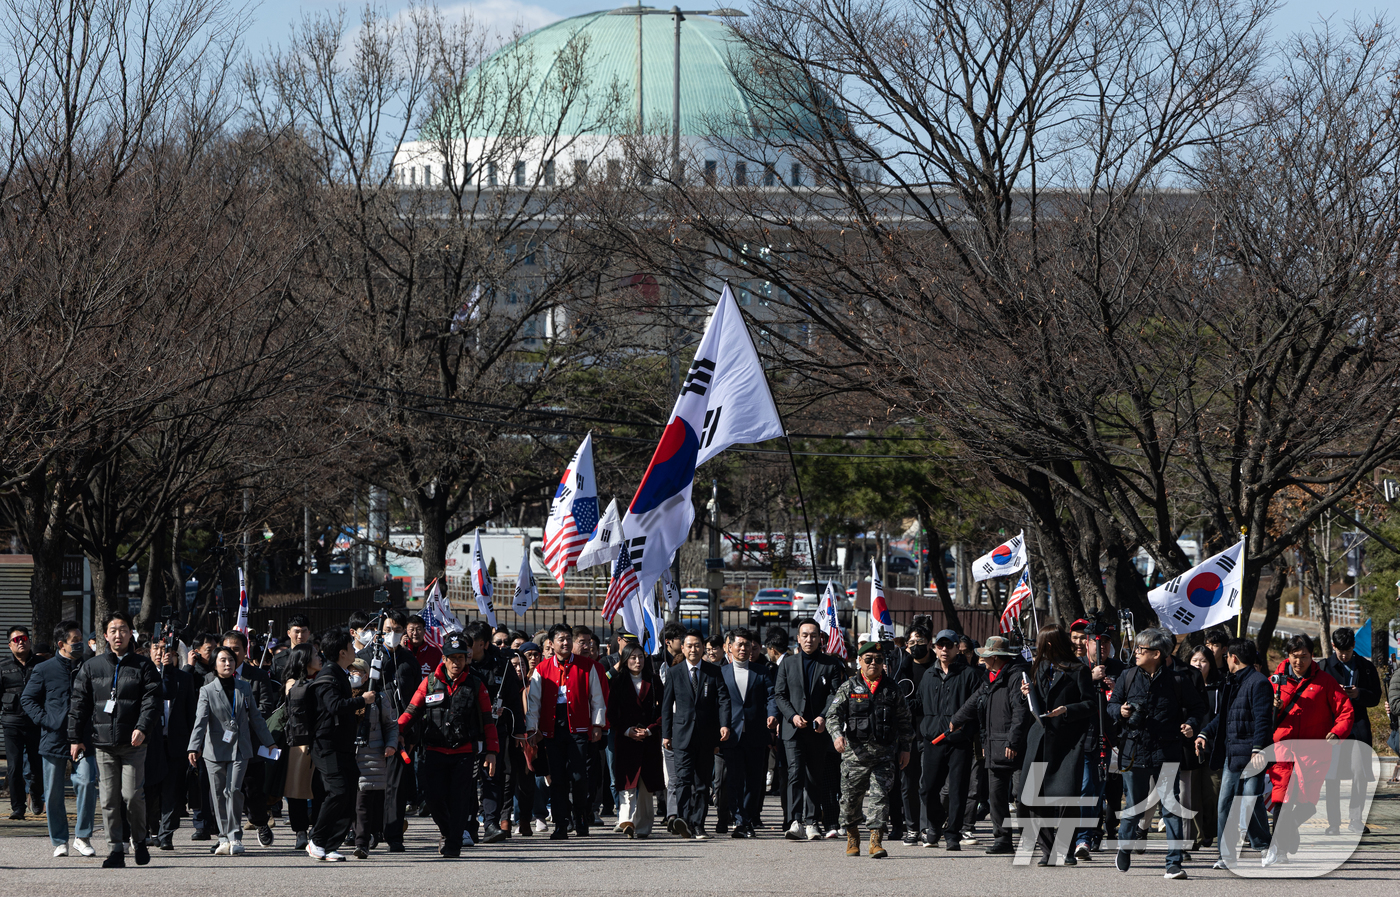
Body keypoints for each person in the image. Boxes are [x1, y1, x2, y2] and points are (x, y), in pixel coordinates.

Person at [1107, 627, 1206, 880]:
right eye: (1137, 648)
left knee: (1170, 807)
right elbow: (1111, 706)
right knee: (1134, 807)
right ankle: (1125, 846)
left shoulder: (1178, 681)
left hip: (1166, 751)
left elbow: (1198, 708)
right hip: (1134, 752)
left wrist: (1191, 725)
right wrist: (1121, 711)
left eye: (1143, 649)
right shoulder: (1127, 676)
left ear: (1158, 654)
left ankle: (1173, 863)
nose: (1137, 652)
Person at [67, 611, 161, 868]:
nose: (118, 635)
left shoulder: (144, 666)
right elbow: (78, 705)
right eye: (113, 630)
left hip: (134, 744)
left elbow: (152, 701)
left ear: (131, 634)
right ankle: (115, 850)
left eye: (123, 630)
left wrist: (142, 728)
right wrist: (75, 737)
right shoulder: (91, 667)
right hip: (104, 744)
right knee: (108, 800)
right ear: (105, 636)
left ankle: (140, 841)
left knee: (132, 796)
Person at [398, 630, 497, 857]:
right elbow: (411, 711)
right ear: (444, 659)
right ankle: (448, 831)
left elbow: (488, 721)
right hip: (434, 751)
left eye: (461, 658)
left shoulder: (476, 684)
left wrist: (492, 751)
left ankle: (453, 844)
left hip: (464, 753)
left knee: (460, 799)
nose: (456, 663)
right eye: (452, 658)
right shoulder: (429, 682)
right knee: (433, 799)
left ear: (466, 658)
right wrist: (397, 731)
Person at [1263, 634, 1353, 867]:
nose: (1299, 662)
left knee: (1307, 804)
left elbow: (1345, 710)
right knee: (1281, 798)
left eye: (1304, 657)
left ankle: (1290, 827)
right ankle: (1279, 850)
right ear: (1288, 656)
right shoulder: (1275, 680)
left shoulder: (1325, 681)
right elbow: (1259, 711)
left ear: (1312, 656)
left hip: (1314, 752)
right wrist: (1273, 709)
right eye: (1294, 657)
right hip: (1283, 749)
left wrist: (1337, 732)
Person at [187, 646, 277, 856]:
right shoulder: (207, 690)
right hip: (214, 750)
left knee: (234, 791)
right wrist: (194, 746)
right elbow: (200, 721)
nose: (228, 664)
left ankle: (235, 836)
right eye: (223, 660)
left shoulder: (243, 687)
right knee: (218, 794)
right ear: (215, 664)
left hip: (240, 747)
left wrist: (269, 741)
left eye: (231, 660)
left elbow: (255, 717)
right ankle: (223, 837)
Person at [827, 641, 914, 858]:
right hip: (854, 755)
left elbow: (905, 722)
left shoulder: (892, 689)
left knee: (879, 798)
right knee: (850, 800)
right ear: (860, 662)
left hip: (884, 755)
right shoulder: (849, 686)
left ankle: (876, 841)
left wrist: (905, 748)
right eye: (868, 660)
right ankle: (853, 837)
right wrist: (837, 735)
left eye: (878, 660)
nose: (874, 663)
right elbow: (833, 715)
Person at [20, 620, 99, 857]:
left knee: (86, 782)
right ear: (61, 644)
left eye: (80, 641)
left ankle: (82, 837)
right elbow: (28, 700)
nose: (79, 645)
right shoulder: (44, 669)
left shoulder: (88, 667)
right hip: (53, 739)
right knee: (53, 792)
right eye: (74, 642)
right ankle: (59, 840)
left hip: (84, 738)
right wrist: (48, 720)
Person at [1018, 622, 1093, 869]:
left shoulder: (1077, 670)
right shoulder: (1038, 667)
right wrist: (1028, 692)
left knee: (1065, 797)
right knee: (1031, 797)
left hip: (1066, 742)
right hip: (1039, 739)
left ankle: (1066, 849)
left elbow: (1090, 705)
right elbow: (1036, 703)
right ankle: (1047, 850)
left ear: (1050, 643)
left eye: (1041, 643)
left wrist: (1067, 710)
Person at [1196, 638, 1273, 869]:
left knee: (1250, 801)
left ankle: (1265, 847)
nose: (1226, 660)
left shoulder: (1259, 683)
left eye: (1228, 656)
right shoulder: (1231, 682)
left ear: (1234, 658)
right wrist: (1205, 734)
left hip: (1252, 755)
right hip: (1232, 755)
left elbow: (1263, 720)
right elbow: (1223, 717)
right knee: (1226, 804)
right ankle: (1226, 855)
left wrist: (1259, 749)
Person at [524, 622, 606, 839]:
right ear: (551, 643)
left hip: (578, 728)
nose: (566, 642)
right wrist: (532, 729)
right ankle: (561, 823)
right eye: (561, 639)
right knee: (558, 779)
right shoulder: (542, 668)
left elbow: (596, 698)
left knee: (579, 777)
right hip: (552, 728)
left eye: (568, 638)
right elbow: (534, 702)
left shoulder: (586, 666)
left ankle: (581, 818)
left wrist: (597, 724)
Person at [951, 635, 1031, 855]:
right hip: (993, 745)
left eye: (986, 656)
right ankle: (1003, 840)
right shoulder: (989, 677)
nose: (982, 659)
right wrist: (956, 720)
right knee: (996, 797)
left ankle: (1029, 840)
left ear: (995, 657)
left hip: (1014, 747)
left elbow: (1021, 712)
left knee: (1022, 795)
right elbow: (974, 701)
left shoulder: (1016, 677)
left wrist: (1013, 741)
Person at [306, 628, 377, 861]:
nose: (353, 652)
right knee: (337, 792)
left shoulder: (340, 673)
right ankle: (316, 839)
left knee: (348, 793)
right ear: (342, 651)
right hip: (327, 746)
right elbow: (335, 705)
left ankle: (329, 844)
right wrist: (362, 700)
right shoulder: (328, 676)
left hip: (342, 745)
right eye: (350, 647)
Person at [775, 618, 845, 841]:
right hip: (793, 730)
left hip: (817, 730)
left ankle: (812, 821)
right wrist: (792, 715)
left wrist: (823, 716)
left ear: (820, 639)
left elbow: (835, 695)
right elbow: (780, 694)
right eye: (804, 635)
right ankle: (795, 820)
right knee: (795, 773)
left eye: (813, 635)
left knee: (815, 776)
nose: (809, 639)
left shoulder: (830, 665)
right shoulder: (787, 663)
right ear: (797, 638)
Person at [357, 608, 420, 851]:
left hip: (401, 732)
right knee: (370, 786)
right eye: (387, 630)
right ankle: (370, 832)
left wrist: (411, 734)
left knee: (396, 786)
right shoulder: (366, 656)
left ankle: (393, 835)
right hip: (371, 731)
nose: (391, 634)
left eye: (396, 630)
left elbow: (417, 699)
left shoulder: (408, 660)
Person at [662, 629, 731, 840]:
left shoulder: (713, 671)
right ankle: (683, 821)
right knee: (683, 781)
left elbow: (723, 700)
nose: (693, 649)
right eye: (689, 646)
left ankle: (698, 824)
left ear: (703, 648)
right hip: (682, 736)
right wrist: (666, 734)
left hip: (706, 735)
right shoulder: (674, 672)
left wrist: (724, 725)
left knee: (702, 784)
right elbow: (666, 706)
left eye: (697, 645)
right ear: (682, 648)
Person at [214, 629, 279, 847]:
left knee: (253, 791)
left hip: (250, 744)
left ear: (244, 651)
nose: (231, 655)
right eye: (227, 649)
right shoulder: (212, 678)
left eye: (236, 649)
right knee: (226, 791)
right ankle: (228, 835)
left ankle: (260, 822)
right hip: (222, 746)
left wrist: (240, 717)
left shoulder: (258, 676)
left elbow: (265, 708)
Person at [916, 628, 979, 850]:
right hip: (932, 740)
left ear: (957, 648)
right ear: (934, 648)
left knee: (957, 791)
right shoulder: (928, 675)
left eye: (949, 645)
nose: (944, 649)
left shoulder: (969, 674)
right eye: (940, 645)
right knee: (927, 788)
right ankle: (935, 826)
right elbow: (919, 704)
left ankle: (953, 834)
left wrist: (965, 730)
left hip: (959, 741)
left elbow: (977, 707)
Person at [463, 620, 525, 843]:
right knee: (468, 780)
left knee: (493, 777)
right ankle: (468, 826)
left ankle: (491, 824)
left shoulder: (503, 665)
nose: (468, 649)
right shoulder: (461, 663)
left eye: (473, 644)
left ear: (484, 644)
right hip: (467, 732)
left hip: (494, 730)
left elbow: (514, 700)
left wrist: (519, 731)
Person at [1317, 626, 1381, 835]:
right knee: (1332, 775)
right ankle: (1333, 824)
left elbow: (1375, 697)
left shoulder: (1366, 667)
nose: (1344, 655)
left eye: (1348, 650)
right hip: (1332, 729)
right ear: (1333, 646)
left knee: (1359, 773)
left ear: (1354, 646)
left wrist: (1358, 694)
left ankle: (1355, 820)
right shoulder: (1324, 667)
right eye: (1340, 650)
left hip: (1358, 726)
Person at [720, 627, 775, 839]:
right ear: (730, 647)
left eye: (747, 645)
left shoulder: (761, 671)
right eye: (739, 644)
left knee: (754, 781)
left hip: (755, 733)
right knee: (734, 779)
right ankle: (739, 820)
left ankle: (749, 817)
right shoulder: (722, 672)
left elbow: (771, 696)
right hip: (731, 734)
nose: (743, 648)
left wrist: (772, 715)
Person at [143, 635, 197, 850]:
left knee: (173, 791)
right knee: (150, 790)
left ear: (175, 655)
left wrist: (194, 744)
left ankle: (166, 834)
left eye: (166, 650)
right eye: (156, 648)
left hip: (176, 742)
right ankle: (150, 828)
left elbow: (191, 713)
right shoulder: (144, 675)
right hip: (150, 743)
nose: (160, 653)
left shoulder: (183, 678)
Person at [608, 641, 664, 838]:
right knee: (627, 782)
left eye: (640, 657)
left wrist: (650, 730)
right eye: (632, 657)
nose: (637, 661)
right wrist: (626, 731)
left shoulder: (654, 681)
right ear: (625, 660)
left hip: (649, 739)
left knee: (646, 786)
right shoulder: (617, 682)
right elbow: (611, 713)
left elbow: (663, 711)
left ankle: (643, 827)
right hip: (626, 739)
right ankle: (625, 820)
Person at [346, 658, 399, 858]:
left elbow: (391, 725)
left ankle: (362, 843)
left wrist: (391, 744)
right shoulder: (342, 696)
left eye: (358, 672)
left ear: (367, 675)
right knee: (351, 800)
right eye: (350, 671)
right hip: (349, 754)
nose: (354, 675)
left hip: (372, 756)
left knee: (365, 801)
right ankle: (360, 834)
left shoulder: (379, 698)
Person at [280, 643, 322, 850]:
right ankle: (300, 831)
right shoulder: (293, 683)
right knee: (297, 789)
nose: (319, 657)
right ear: (304, 660)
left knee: (320, 789)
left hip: (321, 741)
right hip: (299, 742)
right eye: (315, 654)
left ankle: (316, 828)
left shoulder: (321, 679)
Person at [1180, 645, 1222, 852]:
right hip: (1190, 748)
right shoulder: (1184, 687)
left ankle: (1209, 831)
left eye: (1203, 661)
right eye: (1195, 660)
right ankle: (1196, 837)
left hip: (1213, 748)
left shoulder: (1220, 687)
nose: (1199, 664)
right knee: (1192, 794)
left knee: (1212, 793)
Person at [2, 624, 43, 820]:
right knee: (14, 766)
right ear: (9, 645)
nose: (21, 642)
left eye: (24, 639)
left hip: (36, 723)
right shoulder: (3, 667)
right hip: (12, 723)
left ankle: (35, 795)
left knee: (36, 765)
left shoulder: (41, 665)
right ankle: (18, 807)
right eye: (16, 640)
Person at [896, 625, 932, 845]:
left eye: (920, 641)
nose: (916, 646)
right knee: (907, 783)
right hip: (908, 736)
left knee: (927, 783)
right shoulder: (904, 669)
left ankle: (927, 826)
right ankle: (911, 828)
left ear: (929, 642)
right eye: (911, 643)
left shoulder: (936, 668)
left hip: (930, 733)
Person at [267, 614, 314, 688]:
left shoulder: (315, 658)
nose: (300, 636)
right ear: (289, 633)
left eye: (303, 631)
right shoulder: (279, 659)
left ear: (309, 633)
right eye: (297, 632)